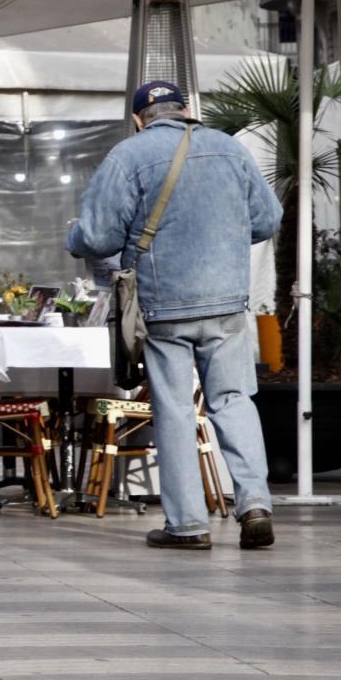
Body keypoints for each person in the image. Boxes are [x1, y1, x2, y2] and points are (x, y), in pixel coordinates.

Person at [67, 80, 282, 551]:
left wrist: (73, 238)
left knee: (175, 409)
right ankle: (254, 506)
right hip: (227, 304)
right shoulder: (230, 149)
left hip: (164, 307)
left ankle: (187, 525)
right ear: (186, 110)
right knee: (235, 401)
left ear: (139, 118)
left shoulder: (127, 156)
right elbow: (266, 221)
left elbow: (99, 237)